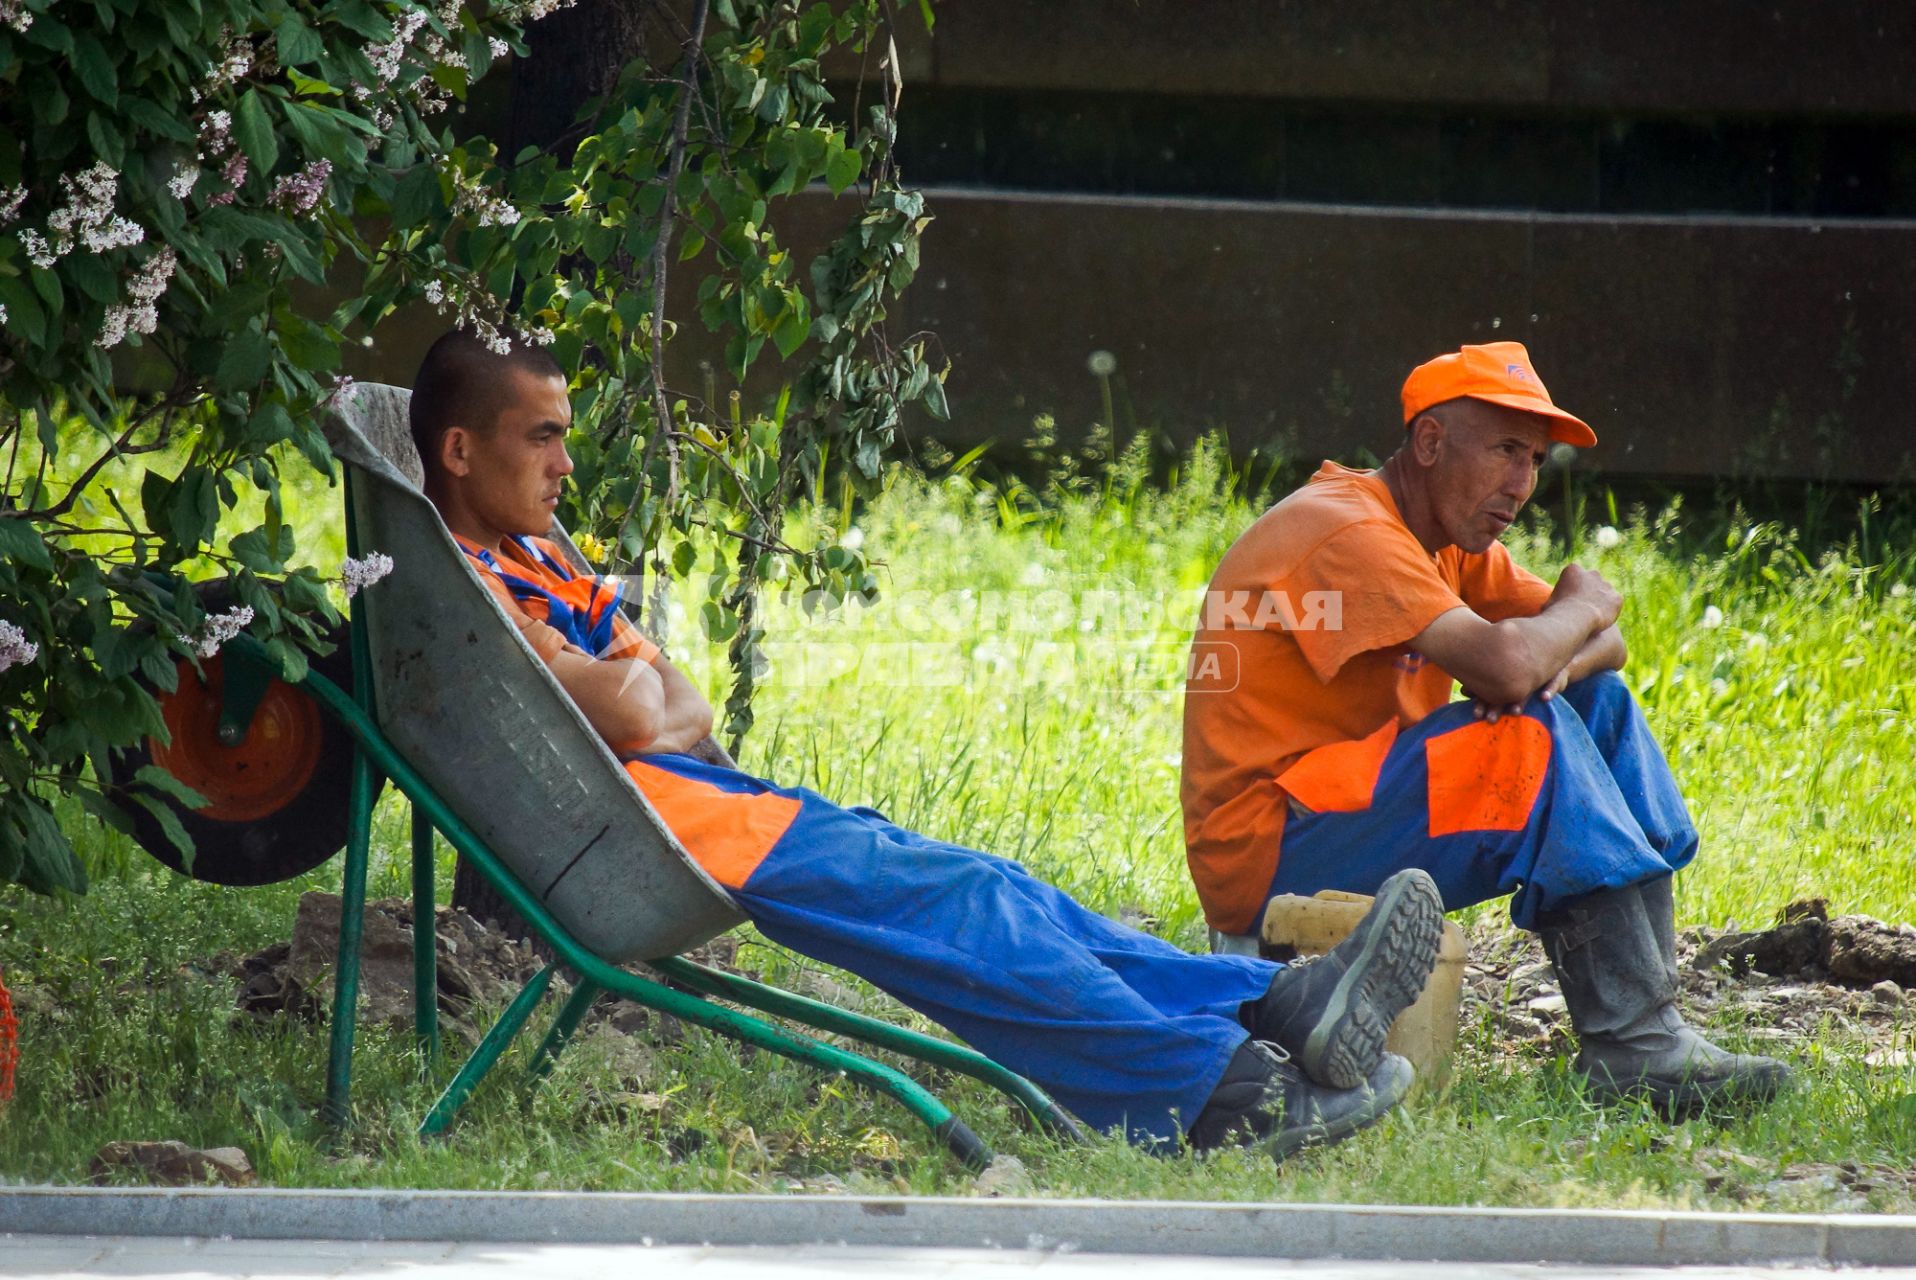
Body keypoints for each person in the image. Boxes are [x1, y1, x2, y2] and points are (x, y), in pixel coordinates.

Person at [406, 328, 1446, 1158]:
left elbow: (675, 698)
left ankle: (1271, 999)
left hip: (704, 809)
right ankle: (1215, 1096)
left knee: (996, 881)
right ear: (460, 450)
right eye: (540, 435)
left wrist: (642, 693)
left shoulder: (531, 558)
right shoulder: (472, 585)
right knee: (966, 908)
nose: (564, 460)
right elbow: (645, 711)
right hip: (655, 834)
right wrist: (642, 693)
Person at [1181, 341, 1790, 1115]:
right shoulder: (1345, 529)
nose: (1523, 484)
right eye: (1506, 451)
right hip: (1270, 855)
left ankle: (1647, 1030)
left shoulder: (1448, 546)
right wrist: (1575, 613)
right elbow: (1510, 666)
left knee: (1594, 706)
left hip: (1348, 813)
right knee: (1531, 727)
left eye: (1535, 460)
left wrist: (1558, 649)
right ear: (1430, 442)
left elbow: (1605, 649)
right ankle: (1635, 1044)